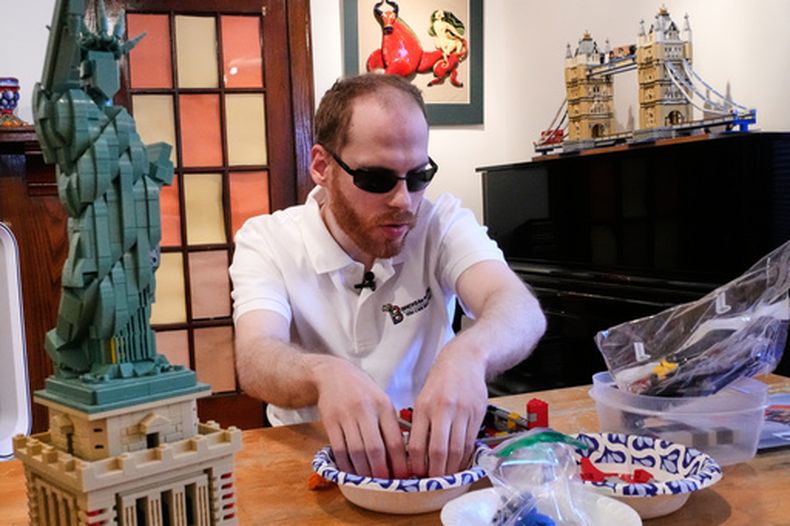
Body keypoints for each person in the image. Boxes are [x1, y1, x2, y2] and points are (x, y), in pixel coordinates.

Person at [229, 73, 546, 479]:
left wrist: (468, 354)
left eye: (418, 177)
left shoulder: (441, 221)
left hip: (432, 460)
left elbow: (519, 308)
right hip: (308, 459)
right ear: (322, 166)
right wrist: (324, 374)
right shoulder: (268, 239)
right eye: (376, 179)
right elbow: (256, 354)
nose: (403, 201)